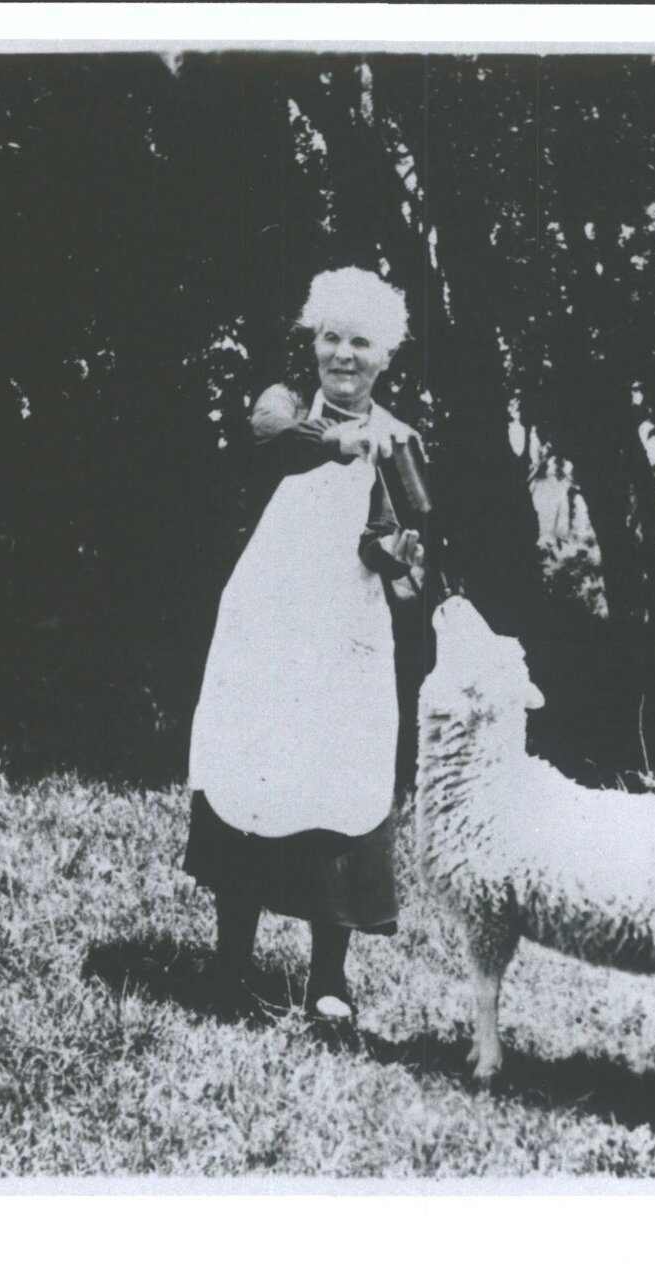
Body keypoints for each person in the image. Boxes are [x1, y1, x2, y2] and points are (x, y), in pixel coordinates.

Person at [184, 267, 431, 1019]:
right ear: (311, 341)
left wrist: (402, 551)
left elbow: (401, 542)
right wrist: (346, 444)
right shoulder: (283, 409)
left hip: (343, 633)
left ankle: (328, 978)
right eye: (331, 337)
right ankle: (230, 963)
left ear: (386, 356)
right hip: (264, 625)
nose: (344, 355)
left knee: (337, 779)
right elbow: (276, 447)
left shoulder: (401, 439)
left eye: (361, 342)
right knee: (250, 769)